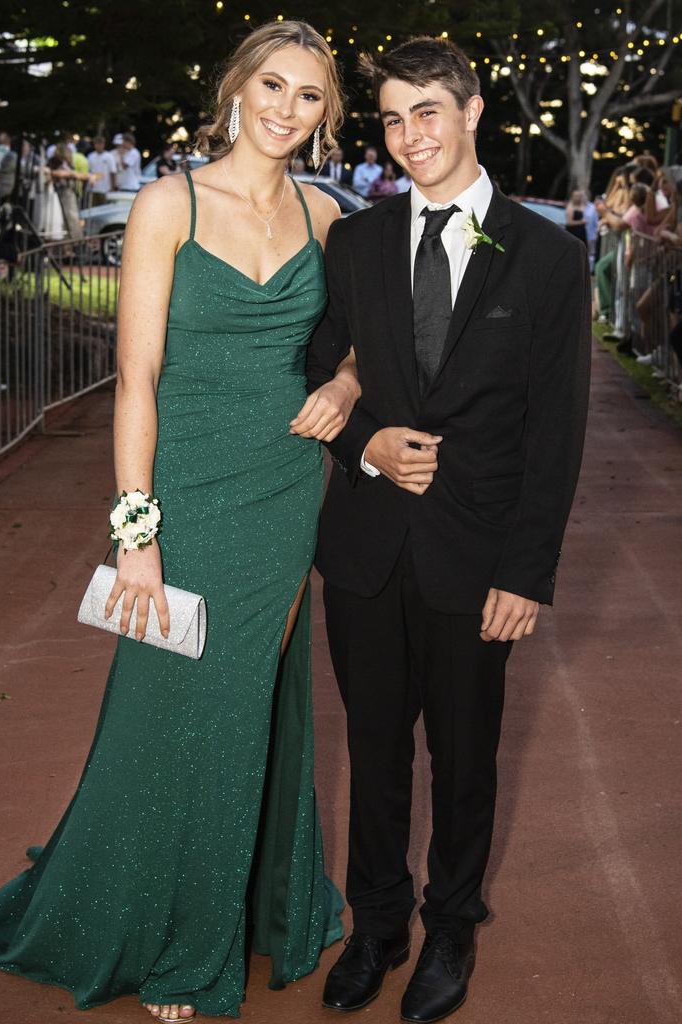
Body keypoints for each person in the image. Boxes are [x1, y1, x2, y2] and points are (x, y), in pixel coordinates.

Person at [0, 19, 361, 1023]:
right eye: (271, 85)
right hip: (183, 487)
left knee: (252, 699)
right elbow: (135, 380)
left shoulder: (326, 217)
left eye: (308, 95)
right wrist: (135, 533)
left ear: (328, 115)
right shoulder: (167, 203)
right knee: (168, 704)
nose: (285, 108)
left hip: (282, 488)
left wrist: (352, 382)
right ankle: (159, 923)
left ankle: (241, 909)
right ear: (236, 87)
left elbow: (366, 341)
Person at [306, 34, 591, 1024]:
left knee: (464, 760)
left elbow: (556, 435)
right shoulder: (356, 242)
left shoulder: (550, 257)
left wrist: (528, 573)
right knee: (374, 747)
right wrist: (365, 445)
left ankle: (452, 926)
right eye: (392, 115)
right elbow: (320, 368)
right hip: (366, 553)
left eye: (428, 110)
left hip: (478, 560)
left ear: (472, 112)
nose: (409, 134)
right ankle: (376, 924)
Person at [87, 135, 117, 204]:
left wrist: (113, 187)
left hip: (105, 189)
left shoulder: (109, 156)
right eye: (97, 144)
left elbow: (113, 172)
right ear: (94, 145)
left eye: (101, 144)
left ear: (104, 144)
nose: (99, 146)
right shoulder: (90, 156)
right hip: (93, 188)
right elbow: (88, 171)